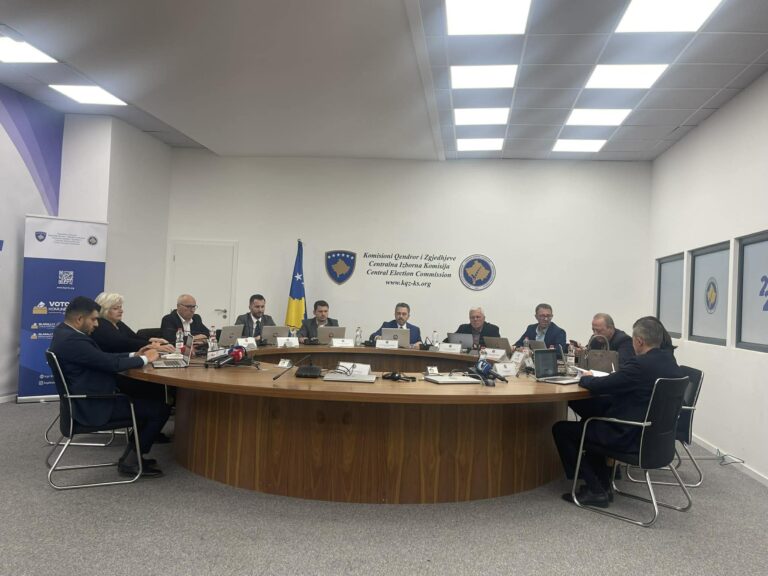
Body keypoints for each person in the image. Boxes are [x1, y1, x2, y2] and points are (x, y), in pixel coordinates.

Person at [552, 317, 683, 507]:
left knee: (562, 430)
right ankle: (603, 485)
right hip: (653, 436)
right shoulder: (670, 361)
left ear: (639, 341)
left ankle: (596, 491)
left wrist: (585, 378)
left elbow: (605, 384)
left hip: (628, 435)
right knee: (591, 422)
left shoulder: (640, 365)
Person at [50, 296, 171, 477]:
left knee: (149, 399)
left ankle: (131, 457)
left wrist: (134, 355)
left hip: (86, 399)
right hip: (93, 405)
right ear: (79, 319)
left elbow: (102, 358)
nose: (97, 324)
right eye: (93, 319)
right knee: (159, 409)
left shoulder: (64, 333)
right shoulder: (74, 341)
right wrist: (146, 359)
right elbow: (110, 364)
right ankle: (131, 462)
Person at [92, 292, 174, 354]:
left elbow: (134, 337)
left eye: (120, 307)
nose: (121, 311)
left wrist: (153, 340)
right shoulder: (101, 324)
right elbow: (125, 343)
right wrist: (154, 346)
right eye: (116, 308)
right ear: (104, 310)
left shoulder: (118, 323)